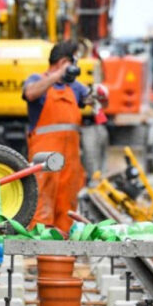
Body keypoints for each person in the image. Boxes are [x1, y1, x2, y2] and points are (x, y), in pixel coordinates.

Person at [23, 41, 106, 234]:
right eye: (73, 62)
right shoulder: (37, 80)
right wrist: (56, 76)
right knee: (41, 202)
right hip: (45, 160)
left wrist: (100, 96)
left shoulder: (74, 88)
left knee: (66, 207)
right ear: (62, 62)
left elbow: (91, 100)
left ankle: (62, 256)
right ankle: (38, 249)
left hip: (70, 161)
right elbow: (30, 93)